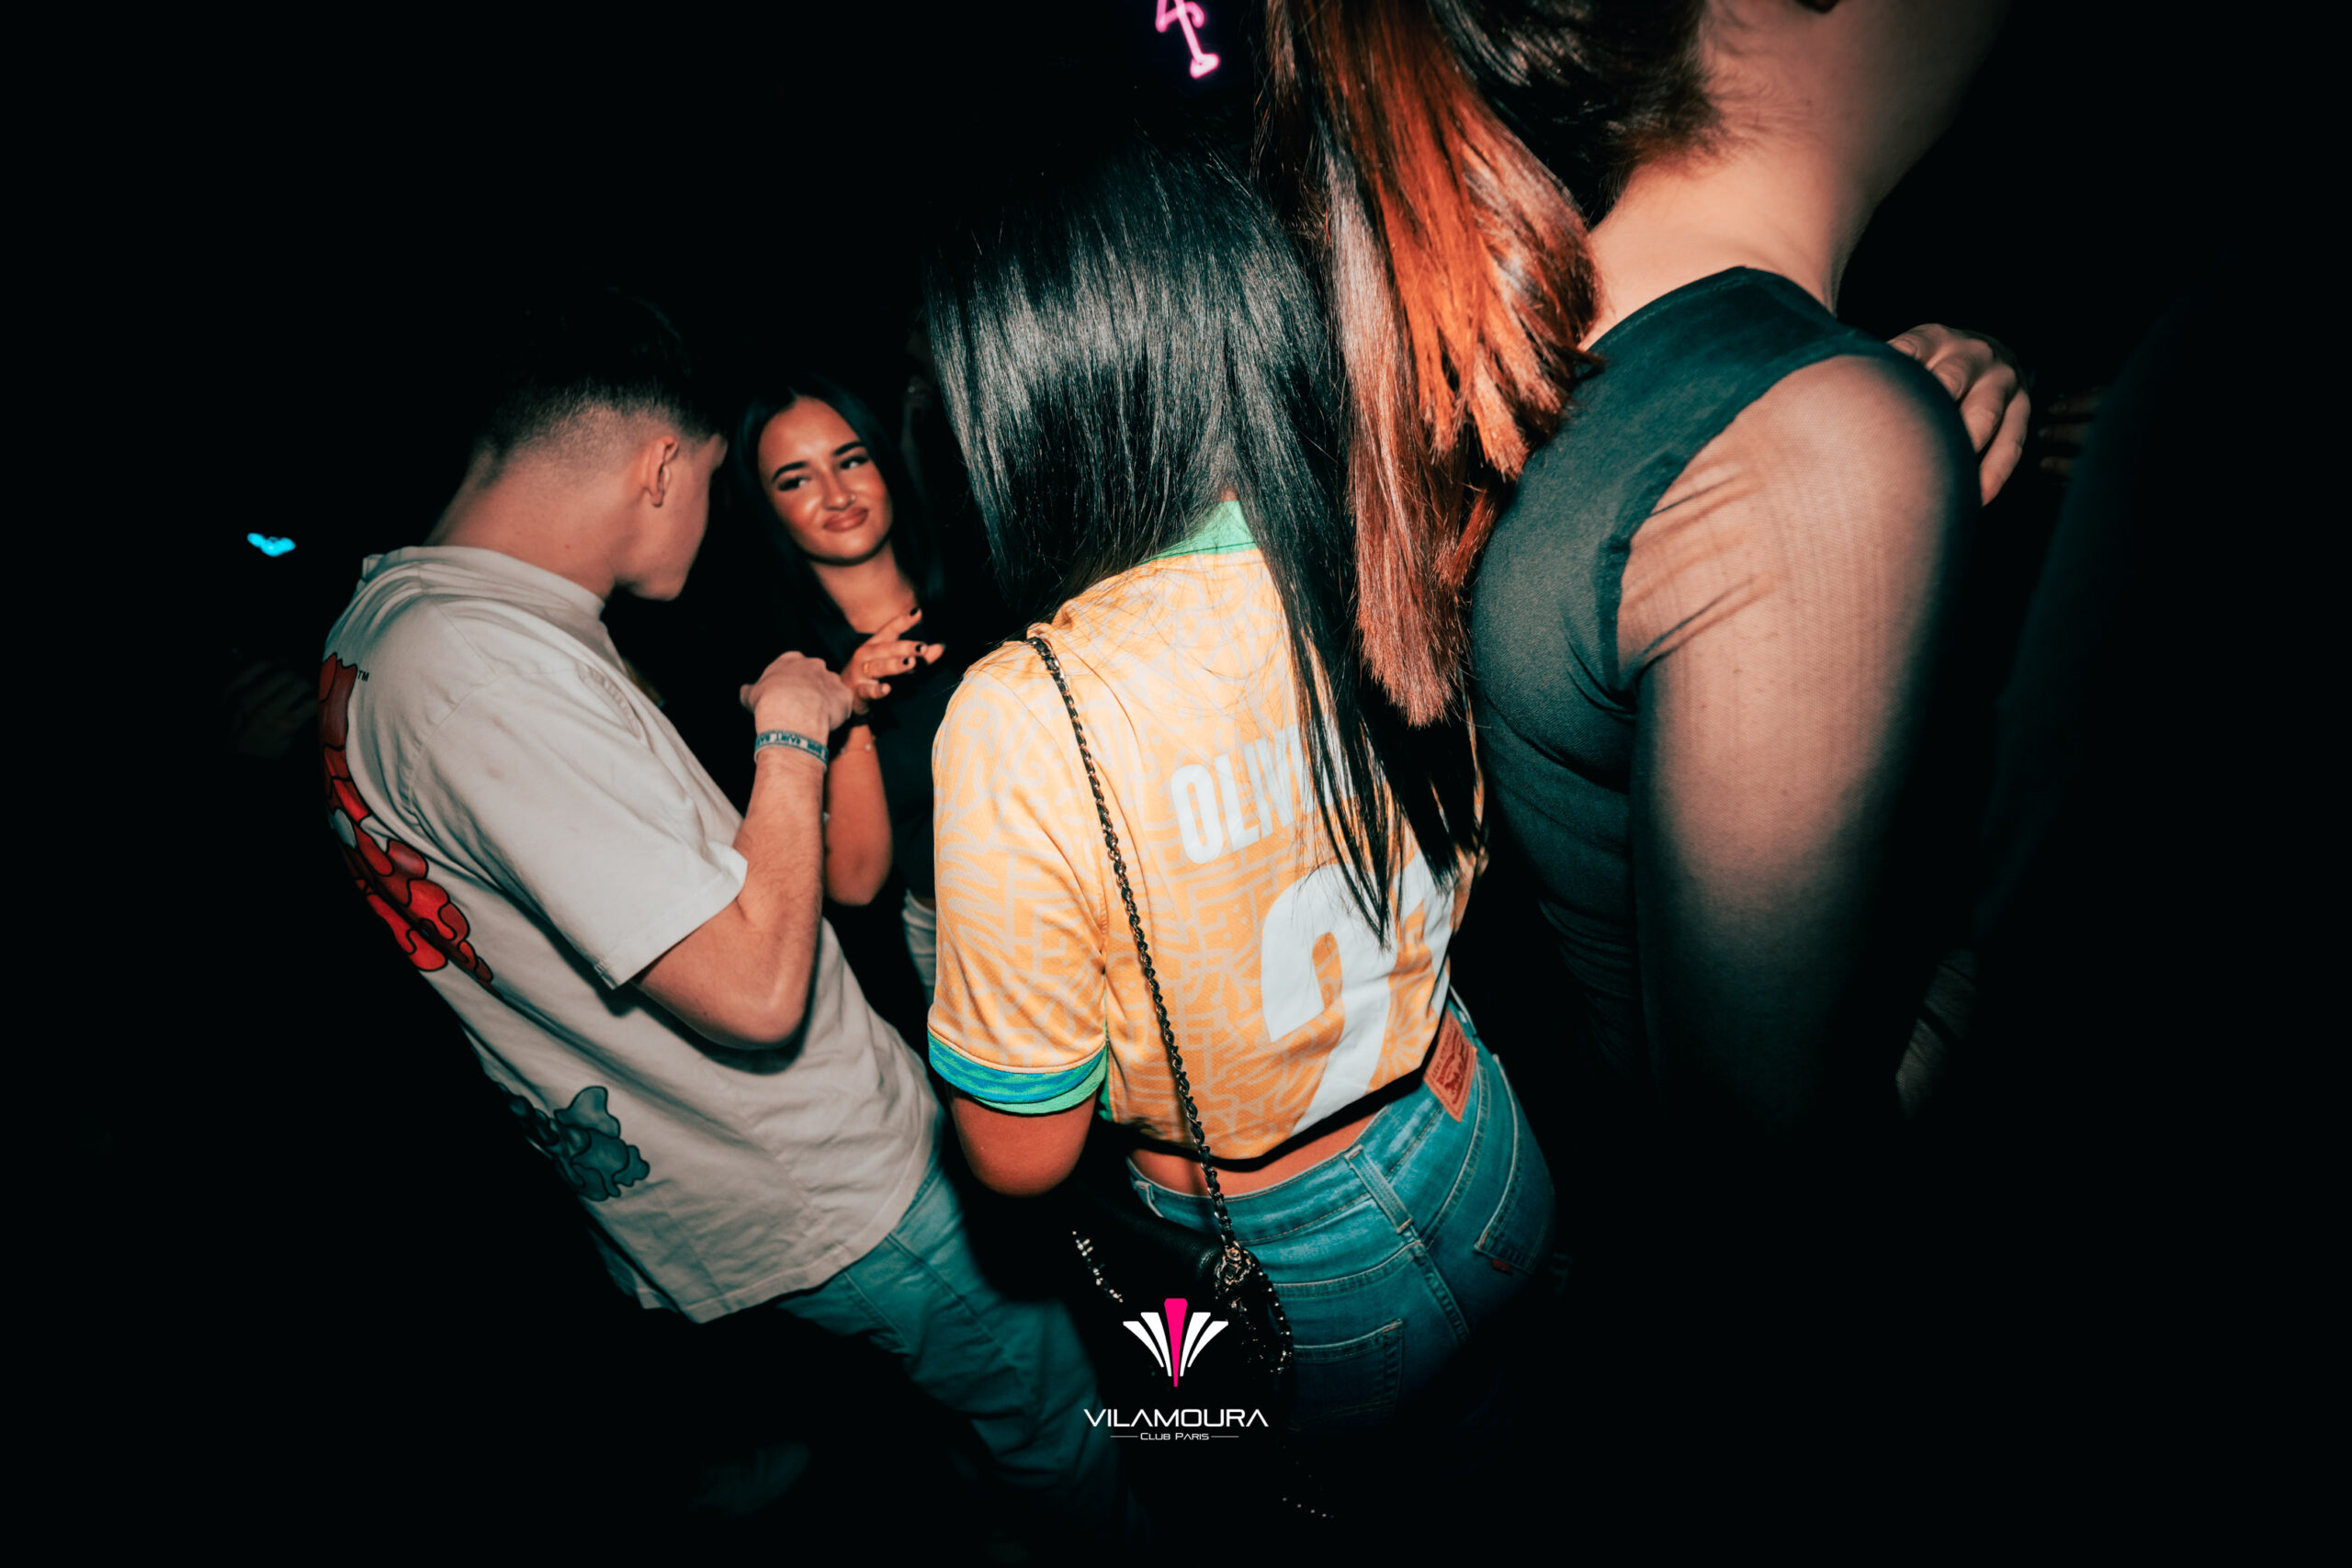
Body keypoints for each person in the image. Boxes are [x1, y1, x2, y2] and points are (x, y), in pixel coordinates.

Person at [316, 288, 1124, 1539]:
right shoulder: (477, 671)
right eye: (726, 477)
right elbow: (754, 989)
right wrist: (799, 731)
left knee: (979, 1431)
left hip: (751, 1183)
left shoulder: (397, 630)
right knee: (1066, 1435)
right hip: (828, 1181)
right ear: (659, 469)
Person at [921, 134, 1555, 1449]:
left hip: (1282, 1254)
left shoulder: (1028, 712)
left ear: (1032, 390)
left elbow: (1021, 1155)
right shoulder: (1387, 549)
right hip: (1481, 1128)